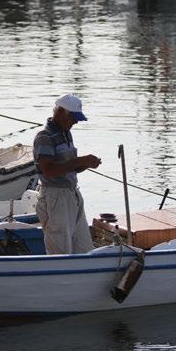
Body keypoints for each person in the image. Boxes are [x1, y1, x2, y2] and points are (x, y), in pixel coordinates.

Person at [33, 94, 102, 254]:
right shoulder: (45, 136)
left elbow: (67, 167)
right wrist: (80, 161)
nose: (76, 122)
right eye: (73, 117)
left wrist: (86, 164)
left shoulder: (65, 133)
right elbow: (48, 170)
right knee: (60, 249)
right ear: (62, 112)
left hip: (72, 194)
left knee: (84, 248)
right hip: (55, 197)